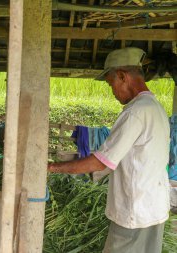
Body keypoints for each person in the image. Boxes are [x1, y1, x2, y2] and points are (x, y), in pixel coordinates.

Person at [48, 47, 170, 253]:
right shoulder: (156, 108)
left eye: (111, 83)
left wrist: (52, 167)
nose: (112, 90)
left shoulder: (135, 113)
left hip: (134, 212)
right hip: (155, 208)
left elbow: (100, 162)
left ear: (122, 76)